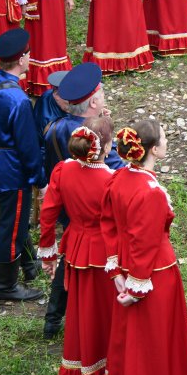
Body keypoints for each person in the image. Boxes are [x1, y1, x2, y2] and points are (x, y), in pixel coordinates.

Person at [101, 120, 187, 375]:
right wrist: (137, 286)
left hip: (126, 265)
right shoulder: (151, 192)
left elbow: (108, 224)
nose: (167, 142)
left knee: (132, 333)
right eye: (164, 138)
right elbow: (145, 242)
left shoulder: (118, 177)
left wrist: (115, 268)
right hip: (154, 273)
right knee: (156, 336)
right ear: (154, 150)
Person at [41, 62, 126, 339]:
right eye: (101, 93)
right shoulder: (96, 137)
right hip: (96, 213)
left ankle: (52, 319)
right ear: (92, 102)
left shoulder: (54, 127)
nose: (104, 95)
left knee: (69, 256)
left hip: (68, 203)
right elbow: (119, 172)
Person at [38, 116, 117, 375]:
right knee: (104, 311)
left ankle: (81, 364)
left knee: (80, 309)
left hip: (75, 248)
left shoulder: (63, 170)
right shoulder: (111, 180)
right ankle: (105, 367)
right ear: (106, 147)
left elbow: (48, 213)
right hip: (105, 253)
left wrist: (49, 253)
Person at [0, 28, 44, 301]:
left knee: (16, 216)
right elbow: (28, 146)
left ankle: (29, 264)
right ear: (21, 59)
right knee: (11, 225)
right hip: (12, 169)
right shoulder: (18, 100)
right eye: (28, 54)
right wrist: (39, 177)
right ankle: (6, 286)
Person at [32, 70, 69, 137]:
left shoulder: (49, 93)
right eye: (68, 101)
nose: (72, 104)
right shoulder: (48, 122)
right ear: (56, 95)